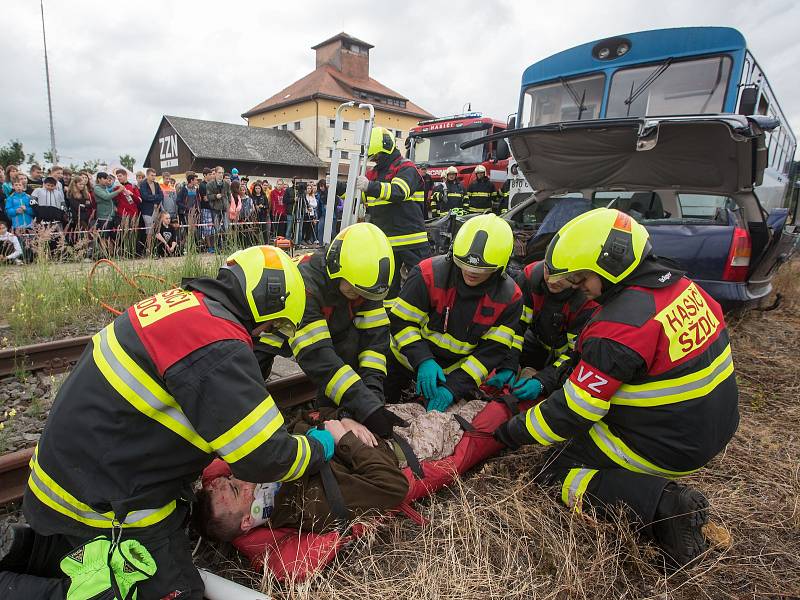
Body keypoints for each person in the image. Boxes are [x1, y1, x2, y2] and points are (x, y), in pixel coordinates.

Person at [0, 246, 335, 599]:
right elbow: (266, 457)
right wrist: (319, 445)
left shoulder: (180, 306)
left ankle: (29, 551)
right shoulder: (219, 345)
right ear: (268, 308)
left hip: (63, 484)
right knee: (178, 592)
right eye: (275, 325)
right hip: (101, 510)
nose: (267, 334)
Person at [493, 208, 739, 567]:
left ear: (611, 265)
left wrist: (513, 431)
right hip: (713, 423)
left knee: (555, 473)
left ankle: (665, 506)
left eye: (583, 278)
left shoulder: (619, 326)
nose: (579, 287)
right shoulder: (684, 287)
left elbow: (573, 413)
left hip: (670, 442)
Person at [256, 222, 402, 439]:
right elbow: (318, 357)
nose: (360, 297)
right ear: (335, 268)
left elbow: (374, 349)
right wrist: (367, 407)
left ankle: (330, 412)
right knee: (252, 379)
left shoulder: (365, 285)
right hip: (268, 334)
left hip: (326, 327)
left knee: (350, 345)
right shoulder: (306, 284)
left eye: (365, 294)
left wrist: (371, 403)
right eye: (354, 291)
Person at [195, 409, 408, 541]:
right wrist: (344, 438)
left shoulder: (273, 465)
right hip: (405, 443)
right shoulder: (311, 506)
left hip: (366, 422)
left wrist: (345, 419)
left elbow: (304, 417)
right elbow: (393, 486)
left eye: (231, 479)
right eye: (236, 489)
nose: (241, 478)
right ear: (247, 521)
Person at [385, 214, 523, 412]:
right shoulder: (426, 275)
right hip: (403, 362)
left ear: (501, 268)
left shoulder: (509, 298)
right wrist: (423, 360)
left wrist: (453, 387)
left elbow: (489, 354)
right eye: (463, 263)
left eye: (482, 269)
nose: (470, 272)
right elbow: (401, 322)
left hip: (455, 373)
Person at [486, 261, 598, 401]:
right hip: (537, 340)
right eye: (549, 270)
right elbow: (515, 327)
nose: (553, 280)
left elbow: (575, 355)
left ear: (579, 277)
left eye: (563, 276)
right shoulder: (530, 277)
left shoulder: (588, 303)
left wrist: (542, 382)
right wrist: (509, 364)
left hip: (566, 359)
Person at [353, 127, 430, 299]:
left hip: (411, 240)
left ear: (386, 149)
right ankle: (391, 321)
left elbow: (399, 191)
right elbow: (363, 196)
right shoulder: (373, 173)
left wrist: (369, 186)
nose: (375, 160)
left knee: (424, 281)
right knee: (387, 287)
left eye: (377, 156)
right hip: (386, 242)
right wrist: (342, 187)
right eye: (372, 157)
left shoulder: (406, 168)